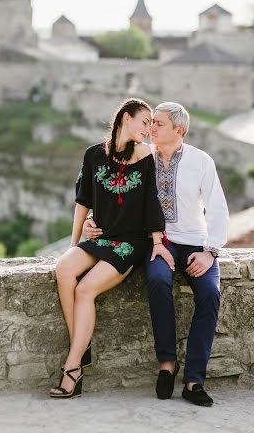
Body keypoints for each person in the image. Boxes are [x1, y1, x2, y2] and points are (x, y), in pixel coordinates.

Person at [84, 102, 229, 407]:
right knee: (159, 282)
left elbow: (218, 210)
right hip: (157, 241)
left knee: (210, 294)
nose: (151, 128)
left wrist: (210, 252)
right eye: (151, 123)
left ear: (180, 130)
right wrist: (91, 219)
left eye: (159, 124)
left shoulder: (201, 161)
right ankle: (166, 364)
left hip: (195, 242)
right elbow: (111, 192)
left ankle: (193, 381)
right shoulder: (142, 156)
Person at [50, 98, 167, 399]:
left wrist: (157, 242)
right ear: (126, 119)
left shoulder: (146, 157)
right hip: (98, 237)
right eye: (145, 122)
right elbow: (82, 201)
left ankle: (73, 367)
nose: (149, 129)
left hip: (130, 242)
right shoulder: (93, 156)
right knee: (64, 270)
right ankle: (82, 343)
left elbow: (152, 202)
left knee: (85, 289)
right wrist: (74, 244)